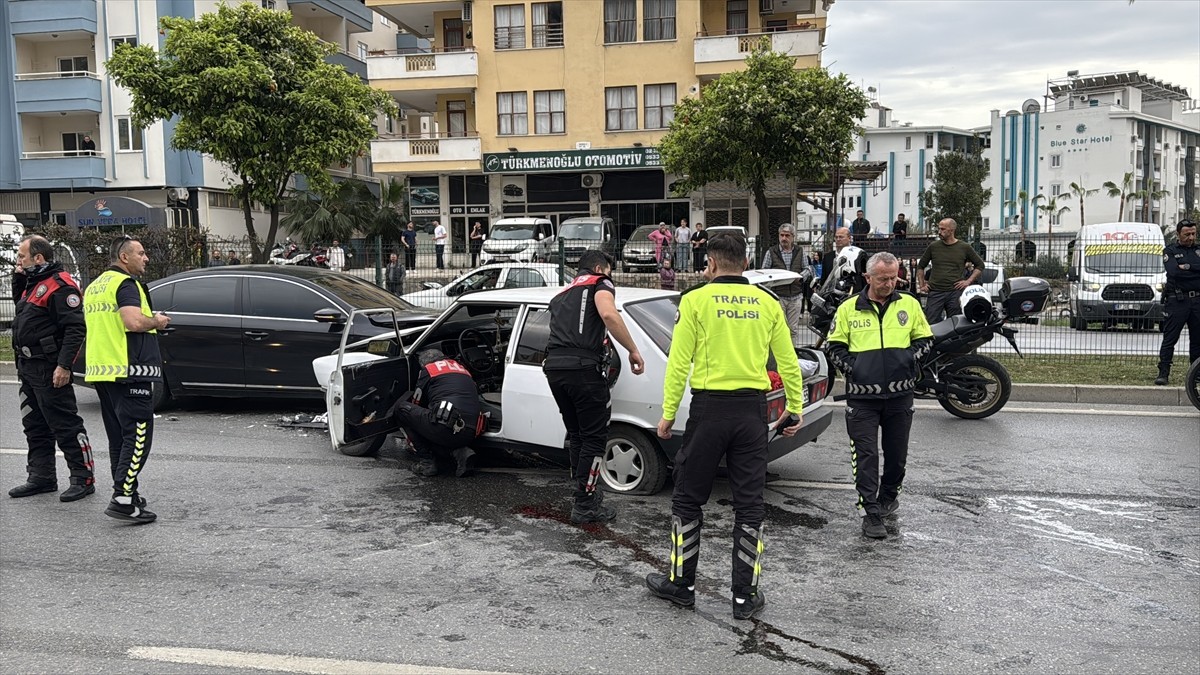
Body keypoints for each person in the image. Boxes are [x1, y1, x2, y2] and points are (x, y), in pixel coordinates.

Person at [645, 232, 806, 621]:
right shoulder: (768, 302)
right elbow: (787, 359)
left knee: (688, 499)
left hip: (709, 411)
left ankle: (681, 586)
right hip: (752, 413)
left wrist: (668, 415)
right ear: (746, 264)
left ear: (711, 264)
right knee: (750, 504)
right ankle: (744, 597)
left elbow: (679, 363)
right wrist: (794, 409)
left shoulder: (695, 300)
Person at [824, 251, 932, 540]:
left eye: (893, 277)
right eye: (883, 278)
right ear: (867, 277)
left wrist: (907, 361)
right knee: (866, 456)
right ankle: (870, 511)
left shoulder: (908, 304)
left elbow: (925, 341)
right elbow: (833, 348)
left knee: (897, 457)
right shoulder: (848, 309)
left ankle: (888, 497)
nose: (889, 283)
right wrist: (857, 369)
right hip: (861, 399)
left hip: (900, 397)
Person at [544, 250, 645, 524]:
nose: (610, 277)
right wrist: (633, 351)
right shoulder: (600, 283)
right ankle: (586, 504)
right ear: (600, 268)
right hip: (584, 370)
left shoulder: (559, 296)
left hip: (554, 370)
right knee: (594, 439)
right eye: (609, 271)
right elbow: (609, 316)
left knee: (577, 435)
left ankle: (583, 493)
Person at [83, 236, 171, 524]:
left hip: (103, 370)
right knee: (138, 437)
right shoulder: (126, 284)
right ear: (124, 257)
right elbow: (132, 322)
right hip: (128, 369)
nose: (146, 258)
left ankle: (127, 494)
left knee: (119, 438)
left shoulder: (96, 286)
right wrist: (156, 321)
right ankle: (122, 497)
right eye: (141, 253)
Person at [8, 235, 95, 502]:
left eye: (22, 256)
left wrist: (64, 366)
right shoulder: (32, 282)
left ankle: (83, 478)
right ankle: (42, 477)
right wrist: (18, 279)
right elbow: (24, 315)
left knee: (65, 424)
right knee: (34, 425)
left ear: (38, 258)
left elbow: (75, 328)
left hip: (49, 367)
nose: (17, 260)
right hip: (28, 366)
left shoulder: (60, 286)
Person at [391, 349, 483, 477]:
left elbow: (417, 401)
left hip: (446, 426)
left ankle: (426, 462)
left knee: (402, 409)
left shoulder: (429, 369)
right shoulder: (463, 369)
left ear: (424, 363)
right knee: (436, 423)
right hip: (471, 431)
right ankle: (460, 453)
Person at [1156, 219, 1200, 385]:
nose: (1190, 237)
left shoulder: (1198, 249)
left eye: (1193, 234)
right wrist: (1194, 268)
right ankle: (1163, 373)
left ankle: (1195, 375)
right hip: (1177, 300)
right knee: (1170, 338)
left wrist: (1186, 267)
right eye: (1186, 234)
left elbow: (1183, 270)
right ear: (1178, 234)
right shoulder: (1170, 250)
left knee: (1198, 340)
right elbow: (1174, 271)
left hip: (1197, 300)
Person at [916, 218, 986, 323]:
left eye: (943, 229)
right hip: (935, 292)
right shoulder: (933, 247)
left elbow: (980, 265)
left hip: (955, 292)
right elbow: (920, 266)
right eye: (939, 229)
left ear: (951, 230)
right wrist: (922, 285)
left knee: (955, 323)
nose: (939, 232)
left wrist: (968, 281)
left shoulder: (964, 247)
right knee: (930, 323)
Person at [760, 223, 808, 348]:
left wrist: (800, 277)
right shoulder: (771, 252)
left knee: (793, 330)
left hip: (796, 297)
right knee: (778, 330)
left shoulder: (800, 251)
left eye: (787, 235)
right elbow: (764, 272)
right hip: (778, 297)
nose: (784, 238)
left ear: (793, 237)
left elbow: (808, 269)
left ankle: (793, 356)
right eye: (782, 235)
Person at [820, 227, 866, 292]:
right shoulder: (828, 258)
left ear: (849, 238)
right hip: (832, 297)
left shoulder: (858, 255)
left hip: (853, 295)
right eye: (836, 237)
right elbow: (824, 280)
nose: (838, 239)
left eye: (841, 237)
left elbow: (863, 279)